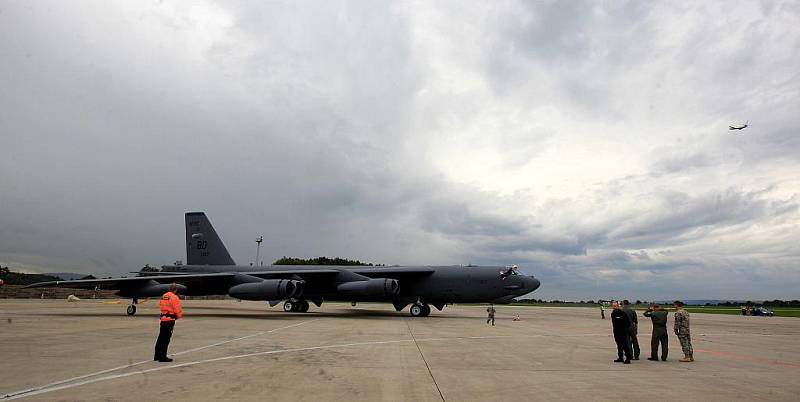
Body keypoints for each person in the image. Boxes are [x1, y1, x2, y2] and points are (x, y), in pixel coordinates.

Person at [154, 283, 183, 362]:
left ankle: (157, 355)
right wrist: (178, 316)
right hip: (170, 320)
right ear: (175, 290)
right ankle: (163, 357)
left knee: (160, 337)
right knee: (166, 339)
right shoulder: (174, 297)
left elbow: (161, 305)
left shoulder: (164, 296)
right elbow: (177, 308)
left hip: (163, 319)